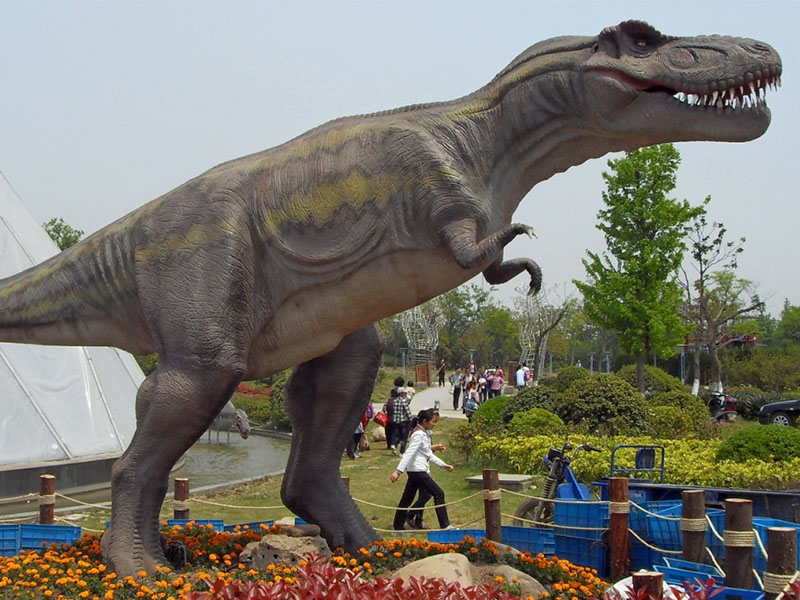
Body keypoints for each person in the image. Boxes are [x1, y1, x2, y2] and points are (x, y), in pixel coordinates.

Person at [390, 408, 453, 531]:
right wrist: (398, 471)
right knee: (438, 493)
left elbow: (428, 453)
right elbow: (409, 453)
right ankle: (445, 526)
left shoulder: (422, 433)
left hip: (415, 471)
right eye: (433, 422)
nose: (434, 424)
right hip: (418, 471)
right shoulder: (418, 435)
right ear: (425, 421)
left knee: (407, 499)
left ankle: (398, 527)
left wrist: (443, 465)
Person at [390, 387, 412, 455]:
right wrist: (410, 420)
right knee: (404, 437)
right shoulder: (404, 401)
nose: (405, 394)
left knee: (398, 435)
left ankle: (394, 444)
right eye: (404, 393)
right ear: (401, 393)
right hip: (403, 421)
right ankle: (402, 451)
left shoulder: (395, 401)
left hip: (396, 420)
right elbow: (407, 411)